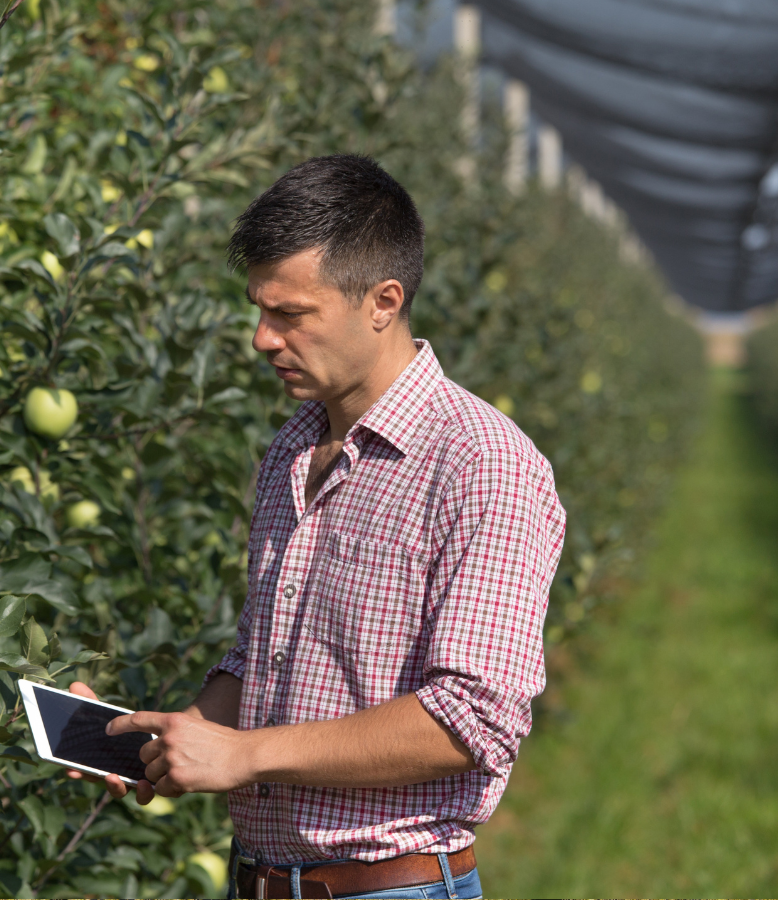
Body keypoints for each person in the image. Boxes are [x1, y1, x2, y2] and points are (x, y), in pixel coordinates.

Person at [68, 154, 566, 899]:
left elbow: (470, 722)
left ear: (383, 302)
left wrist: (245, 756)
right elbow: (266, 662)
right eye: (259, 310)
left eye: (291, 315)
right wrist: (176, 744)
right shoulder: (291, 450)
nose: (263, 339)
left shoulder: (480, 463)